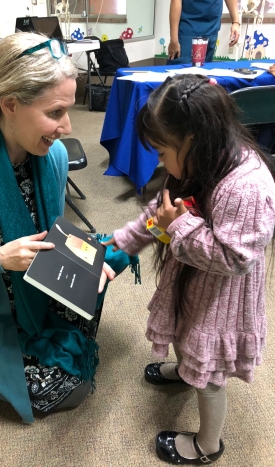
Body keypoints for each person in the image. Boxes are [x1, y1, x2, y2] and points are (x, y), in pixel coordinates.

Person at [0, 32, 116, 424]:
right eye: (56, 112)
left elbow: (50, 232)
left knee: (96, 287)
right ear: (10, 104)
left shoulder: (54, 154)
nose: (66, 127)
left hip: (22, 282)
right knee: (68, 388)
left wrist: (87, 256)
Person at [103, 74, 275, 464]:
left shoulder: (248, 186)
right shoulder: (200, 159)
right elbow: (162, 210)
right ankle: (184, 370)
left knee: (209, 372)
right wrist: (128, 237)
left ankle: (207, 446)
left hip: (223, 298)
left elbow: (236, 258)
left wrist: (176, 227)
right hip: (194, 279)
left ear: (192, 138)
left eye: (162, 153)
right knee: (185, 332)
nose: (160, 162)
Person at [167, 0, 240, 64]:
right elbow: (176, 1)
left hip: (211, 28)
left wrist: (235, 22)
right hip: (188, 29)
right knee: (181, 72)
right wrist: (174, 39)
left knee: (204, 73)